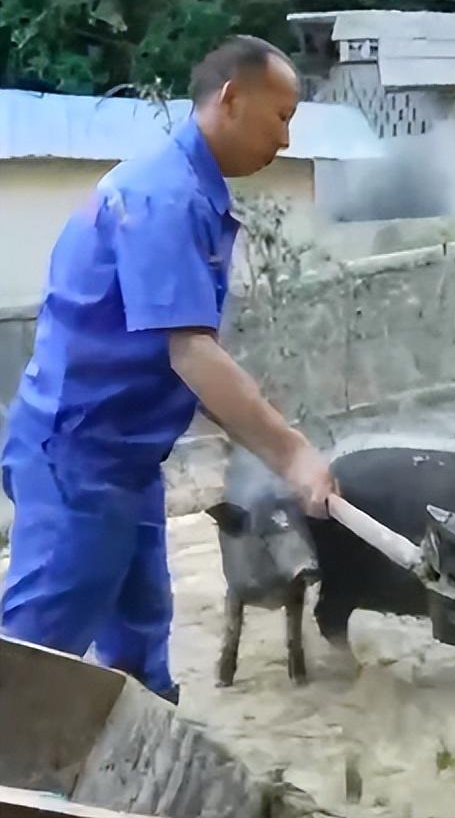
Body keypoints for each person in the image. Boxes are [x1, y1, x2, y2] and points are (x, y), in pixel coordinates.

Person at [0, 35, 336, 703]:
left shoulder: (190, 195)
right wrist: (292, 453)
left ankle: (130, 786)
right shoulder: (166, 198)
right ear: (232, 101)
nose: (287, 141)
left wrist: (277, 453)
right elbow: (191, 352)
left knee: (137, 661)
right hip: (80, 461)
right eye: (281, 118)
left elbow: (182, 359)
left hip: (123, 464)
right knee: (31, 663)